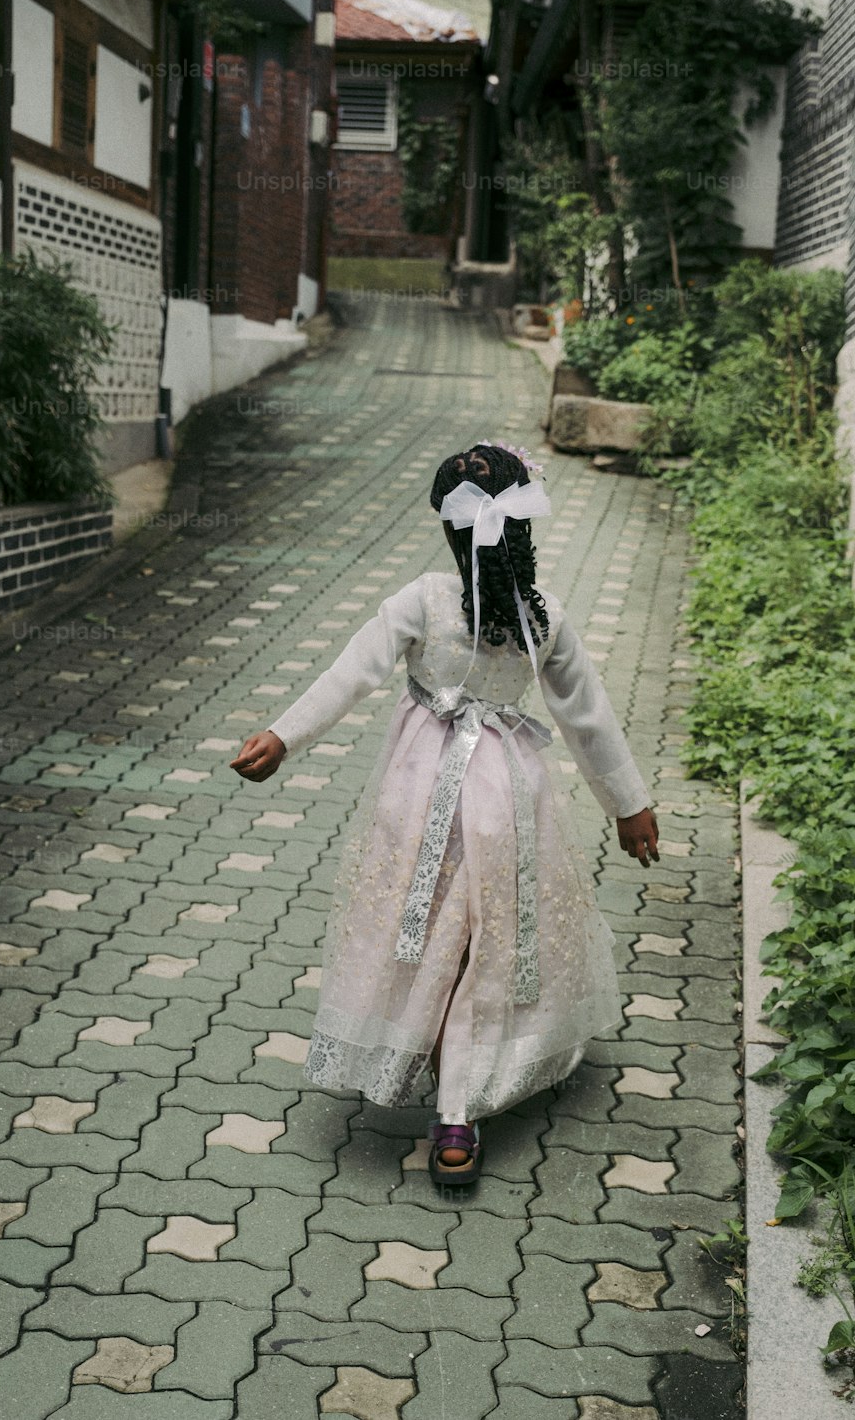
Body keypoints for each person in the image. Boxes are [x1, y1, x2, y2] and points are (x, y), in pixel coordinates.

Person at [230, 442, 659, 1188]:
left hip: (422, 791)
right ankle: (458, 1103)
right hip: (509, 802)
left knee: (434, 939)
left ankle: (451, 1098)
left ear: (448, 528)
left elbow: (351, 672)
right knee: (481, 947)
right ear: (523, 526)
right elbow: (588, 718)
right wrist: (629, 804)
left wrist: (284, 733)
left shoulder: (427, 598)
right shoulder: (542, 614)